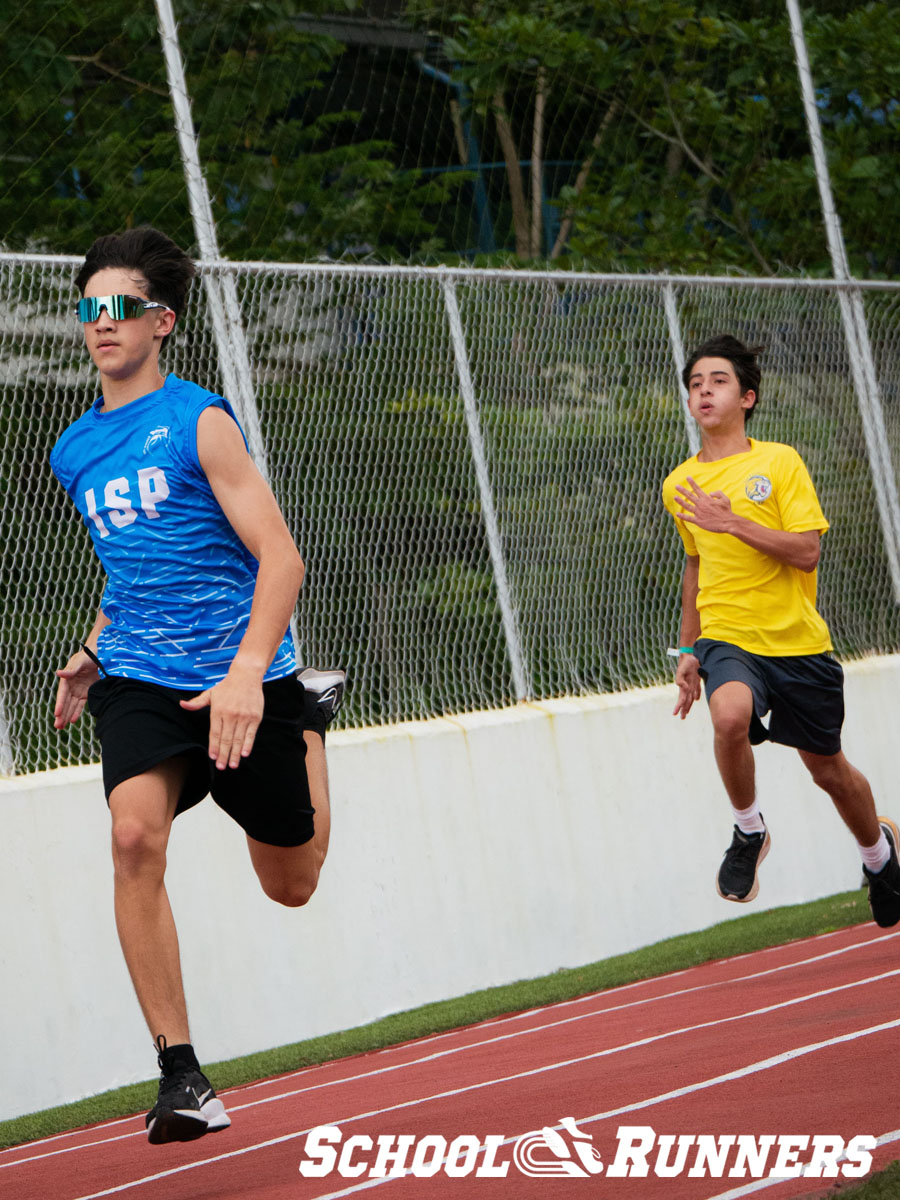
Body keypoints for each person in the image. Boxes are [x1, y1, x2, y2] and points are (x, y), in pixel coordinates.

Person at [50, 227, 346, 1144]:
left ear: (161, 321)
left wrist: (253, 675)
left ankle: (315, 725)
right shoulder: (74, 450)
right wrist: (94, 647)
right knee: (133, 835)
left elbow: (281, 557)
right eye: (90, 307)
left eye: (120, 308)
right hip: (139, 675)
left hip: (240, 677)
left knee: (289, 884)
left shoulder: (199, 420)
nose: (102, 323)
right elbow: (136, 566)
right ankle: (182, 1074)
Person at [662, 333, 900, 928]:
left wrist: (733, 521)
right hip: (728, 638)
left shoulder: (780, 463)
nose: (704, 392)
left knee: (830, 773)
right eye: (695, 384)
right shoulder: (678, 485)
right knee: (730, 717)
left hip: (798, 644)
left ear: (747, 397)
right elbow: (695, 568)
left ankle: (879, 857)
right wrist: (690, 649)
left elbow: (806, 553)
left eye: (717, 381)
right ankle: (750, 830)